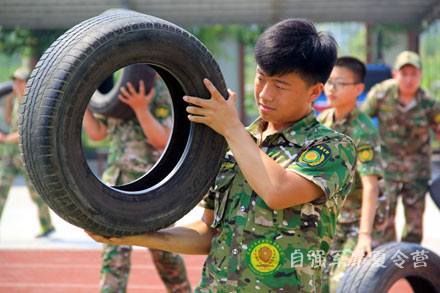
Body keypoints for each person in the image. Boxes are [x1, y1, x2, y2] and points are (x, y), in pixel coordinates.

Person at [86, 18, 357, 292]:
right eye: (261, 78)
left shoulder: (333, 147)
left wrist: (231, 127)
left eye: (280, 86)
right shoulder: (232, 143)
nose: (264, 94)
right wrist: (135, 236)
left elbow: (278, 191)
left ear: (314, 92)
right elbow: (208, 233)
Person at [82, 69, 192, 293]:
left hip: (150, 186)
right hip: (116, 183)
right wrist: (80, 102)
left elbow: (162, 140)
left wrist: (140, 108)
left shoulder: (159, 89)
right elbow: (98, 133)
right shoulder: (116, 90)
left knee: (165, 254)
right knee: (114, 256)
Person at [318, 57, 387, 291]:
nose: (331, 88)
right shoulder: (323, 121)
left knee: (342, 281)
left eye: (339, 83)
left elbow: (371, 186)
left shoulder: (362, 130)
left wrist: (364, 236)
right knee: (316, 280)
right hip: (333, 217)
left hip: (360, 219)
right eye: (328, 81)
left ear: (358, 89)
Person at [362, 51, 440, 244]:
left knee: (414, 224)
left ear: (420, 75)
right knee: (385, 219)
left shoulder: (429, 102)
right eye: (404, 74)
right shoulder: (381, 93)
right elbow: (361, 121)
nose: (409, 79)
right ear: (395, 75)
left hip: (417, 169)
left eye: (413, 74)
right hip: (388, 167)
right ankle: (389, 267)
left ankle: (411, 266)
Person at [0, 67, 56, 238]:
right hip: (10, 155)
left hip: (25, 155)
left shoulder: (32, 103)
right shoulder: (16, 99)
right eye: (15, 81)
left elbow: (26, 130)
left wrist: (4, 139)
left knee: (36, 193)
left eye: (20, 81)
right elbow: (11, 122)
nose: (16, 84)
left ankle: (47, 225)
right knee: (1, 188)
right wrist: (9, 102)